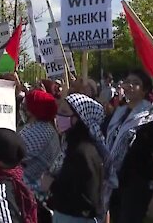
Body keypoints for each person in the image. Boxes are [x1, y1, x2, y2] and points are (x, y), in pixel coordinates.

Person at [105, 69, 153, 223]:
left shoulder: (151, 121)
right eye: (127, 82)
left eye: (136, 83)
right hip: (114, 182)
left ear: (145, 90)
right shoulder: (117, 115)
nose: (130, 85)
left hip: (136, 186)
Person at [41, 93, 106, 223]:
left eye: (64, 112)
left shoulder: (83, 151)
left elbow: (87, 196)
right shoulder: (70, 145)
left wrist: (52, 185)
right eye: (59, 111)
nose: (58, 116)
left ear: (79, 118)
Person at [20, 89, 61, 223]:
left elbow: (11, 153)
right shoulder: (48, 129)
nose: (23, 108)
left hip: (30, 195)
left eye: (26, 105)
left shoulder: (38, 131)